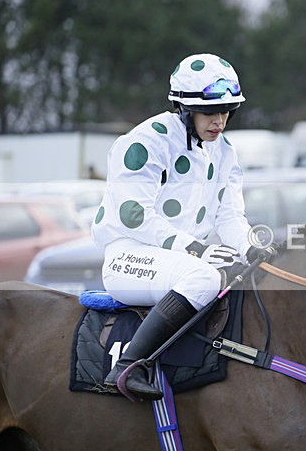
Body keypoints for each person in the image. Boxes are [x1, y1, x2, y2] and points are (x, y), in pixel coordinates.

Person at [91, 52, 263, 401]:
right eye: (211, 112)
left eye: (227, 111)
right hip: (130, 257)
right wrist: (196, 249)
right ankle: (127, 366)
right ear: (184, 109)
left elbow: (228, 216)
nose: (220, 120)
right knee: (204, 277)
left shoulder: (225, 151)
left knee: (241, 274)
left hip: (179, 261)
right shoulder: (144, 143)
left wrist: (251, 247)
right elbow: (132, 215)